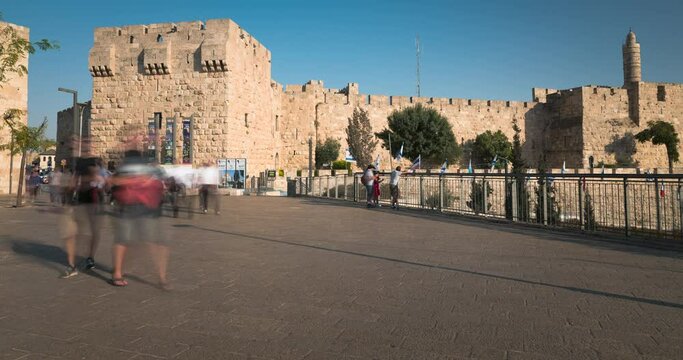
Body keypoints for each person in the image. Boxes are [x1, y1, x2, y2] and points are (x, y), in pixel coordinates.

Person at [110, 149, 169, 288]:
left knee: (153, 242)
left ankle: (162, 277)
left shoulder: (147, 168)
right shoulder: (125, 168)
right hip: (129, 206)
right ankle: (117, 273)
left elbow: (158, 185)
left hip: (144, 206)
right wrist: (135, 181)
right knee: (123, 240)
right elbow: (114, 182)